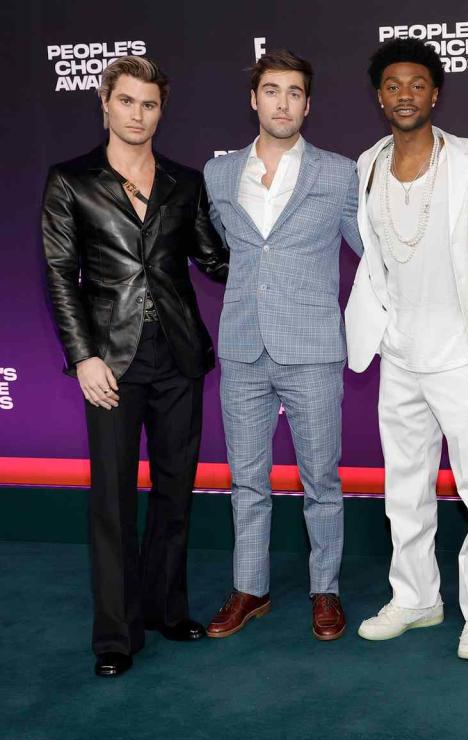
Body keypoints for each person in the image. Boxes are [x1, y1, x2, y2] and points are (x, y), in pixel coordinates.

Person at [41, 56, 229, 677]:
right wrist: (83, 357)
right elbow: (60, 277)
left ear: (160, 110)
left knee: (175, 494)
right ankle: (116, 637)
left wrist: (278, 251)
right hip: (110, 364)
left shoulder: (185, 181)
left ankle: (166, 611)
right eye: (127, 102)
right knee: (114, 502)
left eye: (149, 104)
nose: (138, 114)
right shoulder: (70, 181)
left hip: (179, 356)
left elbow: (214, 258)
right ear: (105, 104)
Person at [345, 39, 468, 659]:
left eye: (417, 84)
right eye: (392, 85)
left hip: (464, 351)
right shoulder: (367, 164)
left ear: (435, 93)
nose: (404, 94)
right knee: (404, 486)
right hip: (399, 350)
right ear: (379, 97)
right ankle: (415, 597)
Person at [203, 50, 363, 642]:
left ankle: (327, 591)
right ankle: (251, 588)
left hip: (313, 345)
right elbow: (223, 252)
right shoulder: (218, 176)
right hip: (243, 345)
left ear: (308, 104)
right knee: (247, 479)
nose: (283, 102)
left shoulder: (338, 173)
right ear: (255, 99)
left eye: (295, 92)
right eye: (272, 90)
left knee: (321, 479)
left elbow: (370, 256)